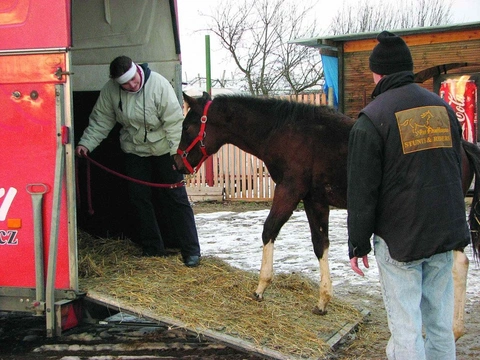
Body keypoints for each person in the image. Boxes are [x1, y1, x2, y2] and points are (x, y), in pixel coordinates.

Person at [347, 31, 470, 359]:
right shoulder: (442, 109)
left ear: (378, 72)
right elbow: (454, 169)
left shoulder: (372, 119)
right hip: (444, 234)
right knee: (441, 326)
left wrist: (358, 244)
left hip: (400, 240)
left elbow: (362, 191)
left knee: (406, 330)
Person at [75, 55, 201, 267]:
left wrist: (175, 155)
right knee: (138, 198)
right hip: (134, 149)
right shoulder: (110, 91)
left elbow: (173, 124)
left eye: (134, 79)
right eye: (126, 83)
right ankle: (153, 249)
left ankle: (191, 251)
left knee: (176, 197)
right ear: (116, 82)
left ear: (137, 70)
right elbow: (101, 121)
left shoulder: (159, 85)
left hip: (164, 148)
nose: (132, 84)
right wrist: (86, 143)